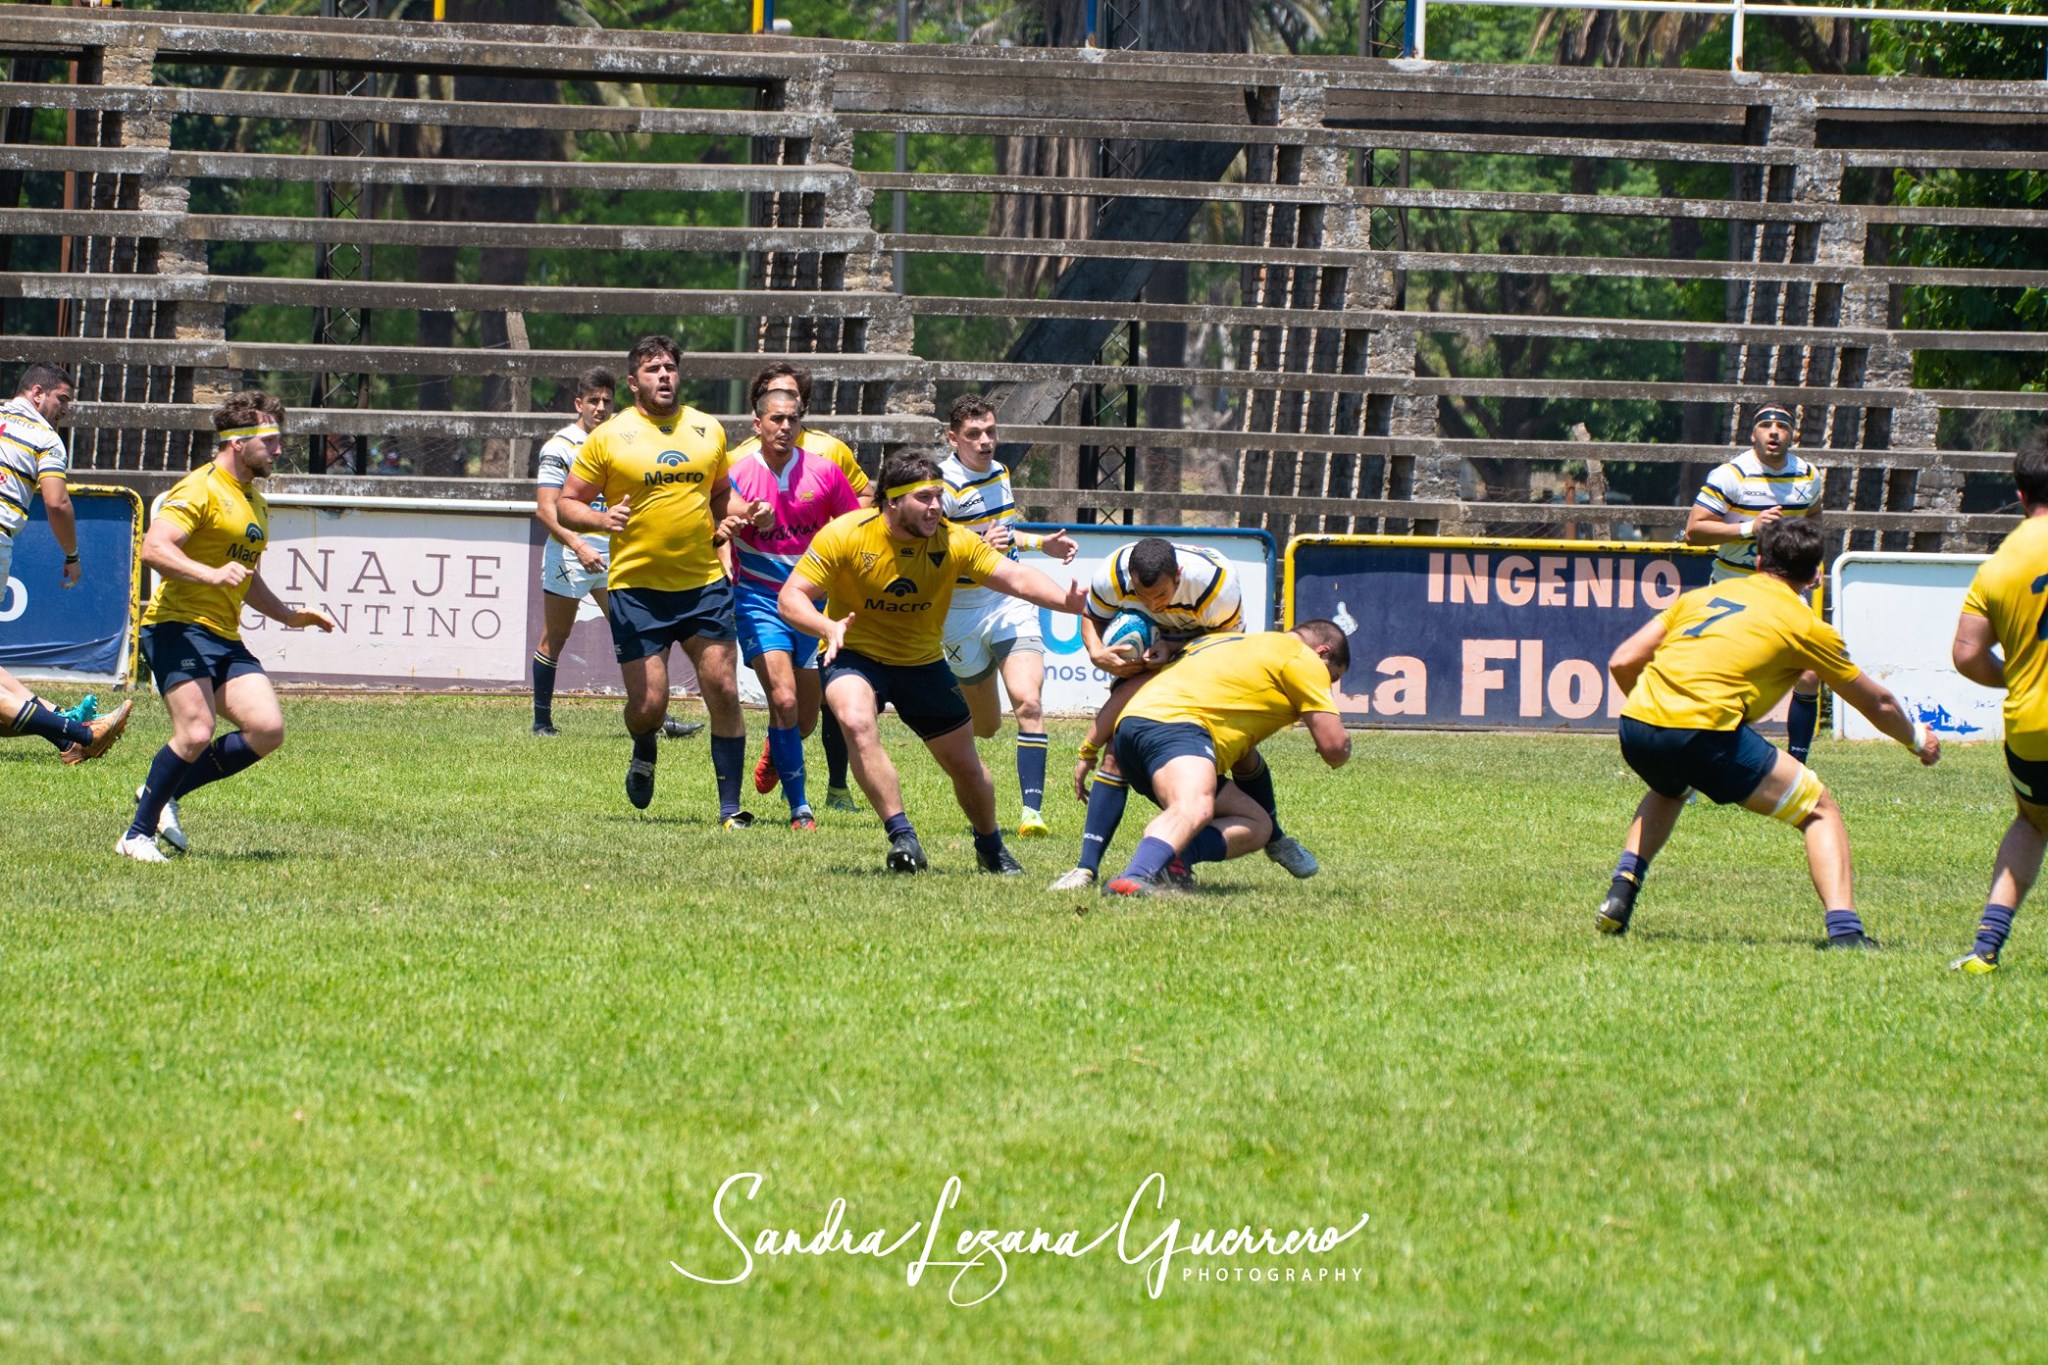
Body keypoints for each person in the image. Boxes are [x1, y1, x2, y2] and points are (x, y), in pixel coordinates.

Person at [1595, 516, 1938, 947]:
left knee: (1670, 788)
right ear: (1815, 577)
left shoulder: (1702, 597)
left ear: (1758, 561)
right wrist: (1916, 740)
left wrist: (1654, 711)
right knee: (1819, 810)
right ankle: (1847, 934)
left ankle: (1621, 893)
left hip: (1638, 726)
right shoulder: (1805, 625)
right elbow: (1879, 703)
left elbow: (1623, 661)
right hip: (1703, 731)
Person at [776, 451, 1087, 874]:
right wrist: (826, 627)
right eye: (924, 497)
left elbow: (1015, 578)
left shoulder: (953, 539)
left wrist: (1066, 602)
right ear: (892, 501)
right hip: (854, 653)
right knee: (854, 719)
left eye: (939, 496)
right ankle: (902, 834)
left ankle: (990, 845)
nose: (936, 506)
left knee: (966, 767)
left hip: (921, 662)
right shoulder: (846, 533)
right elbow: (791, 597)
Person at [118, 390, 336, 862]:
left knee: (267, 729)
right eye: (271, 440)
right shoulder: (200, 488)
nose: (279, 450)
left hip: (222, 635)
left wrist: (290, 616)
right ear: (238, 442)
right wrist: (210, 575)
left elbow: (247, 575)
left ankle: (163, 793)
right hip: (175, 625)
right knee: (196, 732)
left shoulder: (253, 500)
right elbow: (154, 549)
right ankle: (135, 836)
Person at [557, 336, 750, 824]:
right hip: (637, 589)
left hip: (703, 583)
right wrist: (601, 521)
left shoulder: (707, 429)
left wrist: (745, 516)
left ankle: (731, 809)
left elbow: (723, 495)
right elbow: (566, 503)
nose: (664, 375)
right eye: (652, 369)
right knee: (649, 705)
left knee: (724, 689)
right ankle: (644, 745)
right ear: (632, 382)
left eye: (670, 367)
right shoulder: (609, 436)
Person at [1052, 537, 1319, 890]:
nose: (1152, 604)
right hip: (1153, 649)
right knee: (1116, 752)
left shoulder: (1217, 587)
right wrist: (1096, 651)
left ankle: (1275, 838)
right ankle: (1085, 868)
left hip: (1203, 648)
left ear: (1178, 575)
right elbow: (1092, 615)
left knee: (1240, 751)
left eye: (1161, 596)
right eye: (1142, 596)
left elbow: (1223, 651)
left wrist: (1174, 647)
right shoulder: (1114, 574)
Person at [1099, 623, 1352, 897]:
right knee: (1194, 806)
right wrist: (1339, 745)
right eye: (1333, 677)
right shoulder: (1303, 659)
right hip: (1175, 727)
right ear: (1322, 653)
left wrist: (1276, 837)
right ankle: (1134, 877)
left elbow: (1245, 760)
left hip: (1132, 729)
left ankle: (1173, 859)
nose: (1328, 684)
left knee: (1256, 825)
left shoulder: (1236, 643)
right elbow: (1334, 748)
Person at [528, 364, 702, 741]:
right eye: (593, 401)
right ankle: (541, 721)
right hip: (570, 555)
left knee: (638, 634)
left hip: (614, 556)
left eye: (607, 401)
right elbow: (547, 508)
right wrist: (578, 543)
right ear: (579, 403)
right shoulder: (560, 447)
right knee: (554, 638)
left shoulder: (620, 440)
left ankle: (659, 717)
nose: (601, 408)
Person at [936, 395, 1077, 839]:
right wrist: (977, 546)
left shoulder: (1000, 473)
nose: (985, 441)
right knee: (987, 726)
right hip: (959, 613)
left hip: (1007, 600)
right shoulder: (942, 485)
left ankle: (1031, 813)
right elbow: (929, 549)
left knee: (1029, 702)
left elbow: (1003, 533)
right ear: (952, 438)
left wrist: (1041, 546)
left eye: (991, 431)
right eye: (974, 434)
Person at [726, 386, 862, 830]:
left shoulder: (824, 472)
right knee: (782, 698)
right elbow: (713, 526)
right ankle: (800, 808)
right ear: (757, 424)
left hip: (809, 605)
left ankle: (777, 743)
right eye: (776, 419)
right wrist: (741, 519)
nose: (785, 427)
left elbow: (854, 528)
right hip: (759, 600)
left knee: (802, 719)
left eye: (793, 420)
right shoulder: (735, 472)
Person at [1948, 436, 2048, 973]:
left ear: (2019, 492)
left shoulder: (1999, 565)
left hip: (2032, 725)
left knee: (2033, 824)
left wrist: (2022, 676)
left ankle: (1986, 947)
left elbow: (1966, 655)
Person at [1685, 404, 1825, 765]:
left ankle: (1797, 764)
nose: (1774, 431)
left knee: (1809, 673)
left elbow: (1812, 519)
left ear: (1792, 435)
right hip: (1734, 586)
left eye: (1782, 426)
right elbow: (1694, 531)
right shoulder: (1730, 475)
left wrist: (1814, 560)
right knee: (1721, 681)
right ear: (1753, 434)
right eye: (1766, 426)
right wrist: (1749, 528)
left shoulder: (1807, 476)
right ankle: (1701, 764)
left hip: (1784, 590)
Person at [1, 362, 81, 599]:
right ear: (37, 393)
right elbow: (57, 503)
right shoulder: (47, 438)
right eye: (63, 399)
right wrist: (72, 555)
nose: (65, 409)